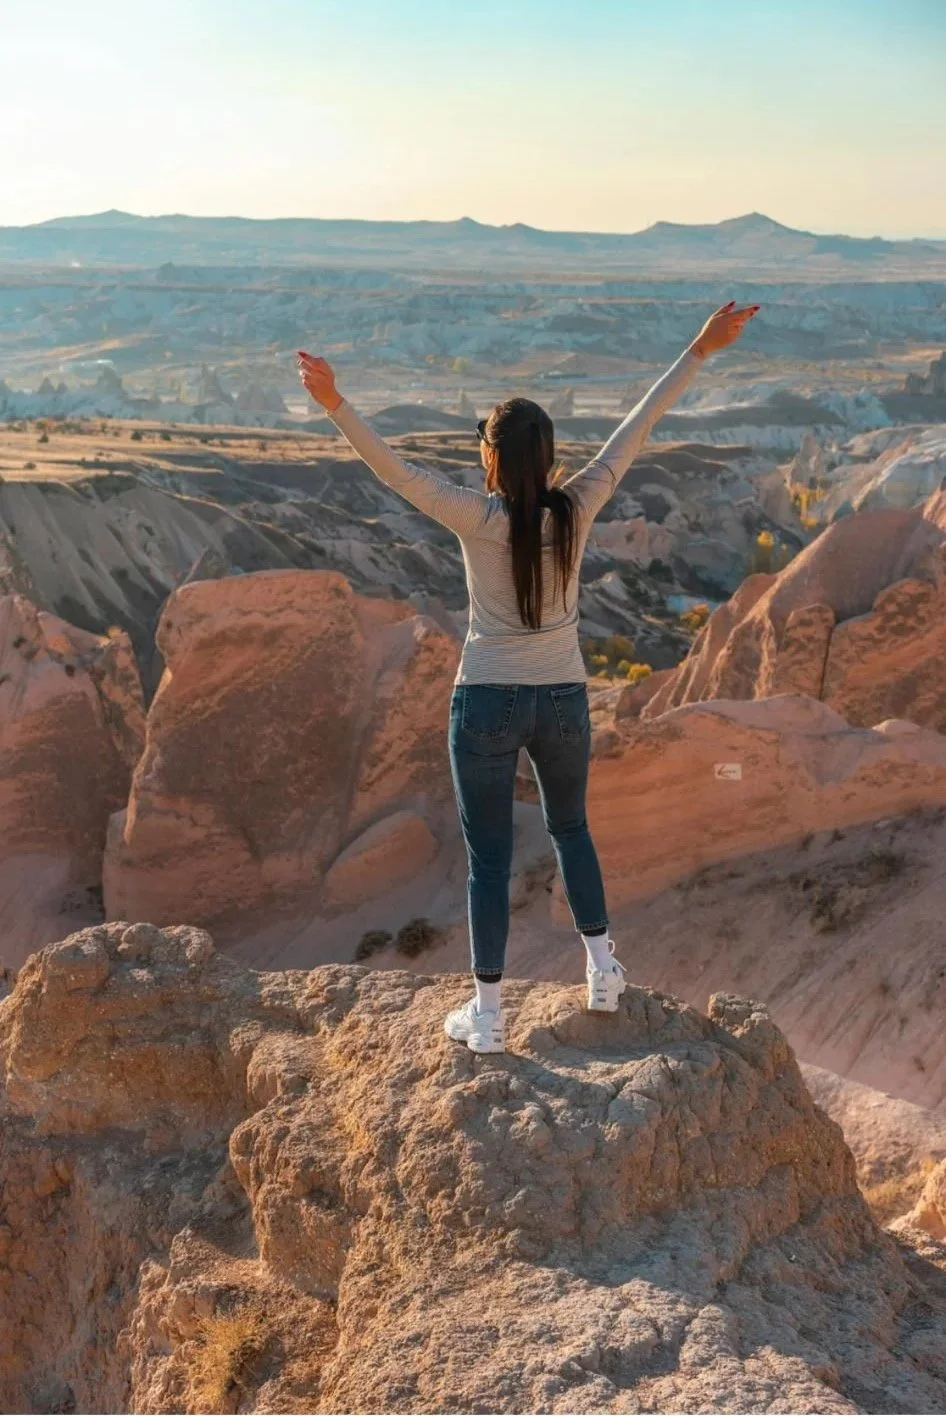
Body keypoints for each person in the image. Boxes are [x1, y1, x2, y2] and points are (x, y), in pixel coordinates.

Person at [298, 299, 759, 1054]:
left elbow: (393, 472)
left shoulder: (473, 516)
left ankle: (486, 1017)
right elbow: (638, 425)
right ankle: (603, 969)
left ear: (491, 459)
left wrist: (336, 404)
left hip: (484, 699)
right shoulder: (578, 506)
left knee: (488, 858)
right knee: (572, 829)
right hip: (565, 699)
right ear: (548, 459)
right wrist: (701, 348)